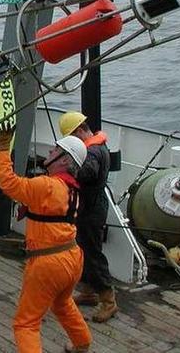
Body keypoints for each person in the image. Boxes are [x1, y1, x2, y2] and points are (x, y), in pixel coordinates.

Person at [0, 121, 92, 353]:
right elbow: (36, 203)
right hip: (73, 258)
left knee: (25, 324)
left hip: (48, 263)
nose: (49, 152)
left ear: (63, 159)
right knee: (62, 303)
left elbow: (11, 184)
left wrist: (3, 148)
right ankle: (82, 343)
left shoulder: (47, 186)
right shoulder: (72, 191)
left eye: (54, 150)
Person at [59, 111, 117, 323]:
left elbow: (87, 174)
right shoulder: (97, 145)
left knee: (93, 254)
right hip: (89, 204)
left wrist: (66, 167)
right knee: (81, 249)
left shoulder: (91, 151)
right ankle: (88, 292)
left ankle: (108, 301)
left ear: (79, 131)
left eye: (72, 138)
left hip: (91, 208)